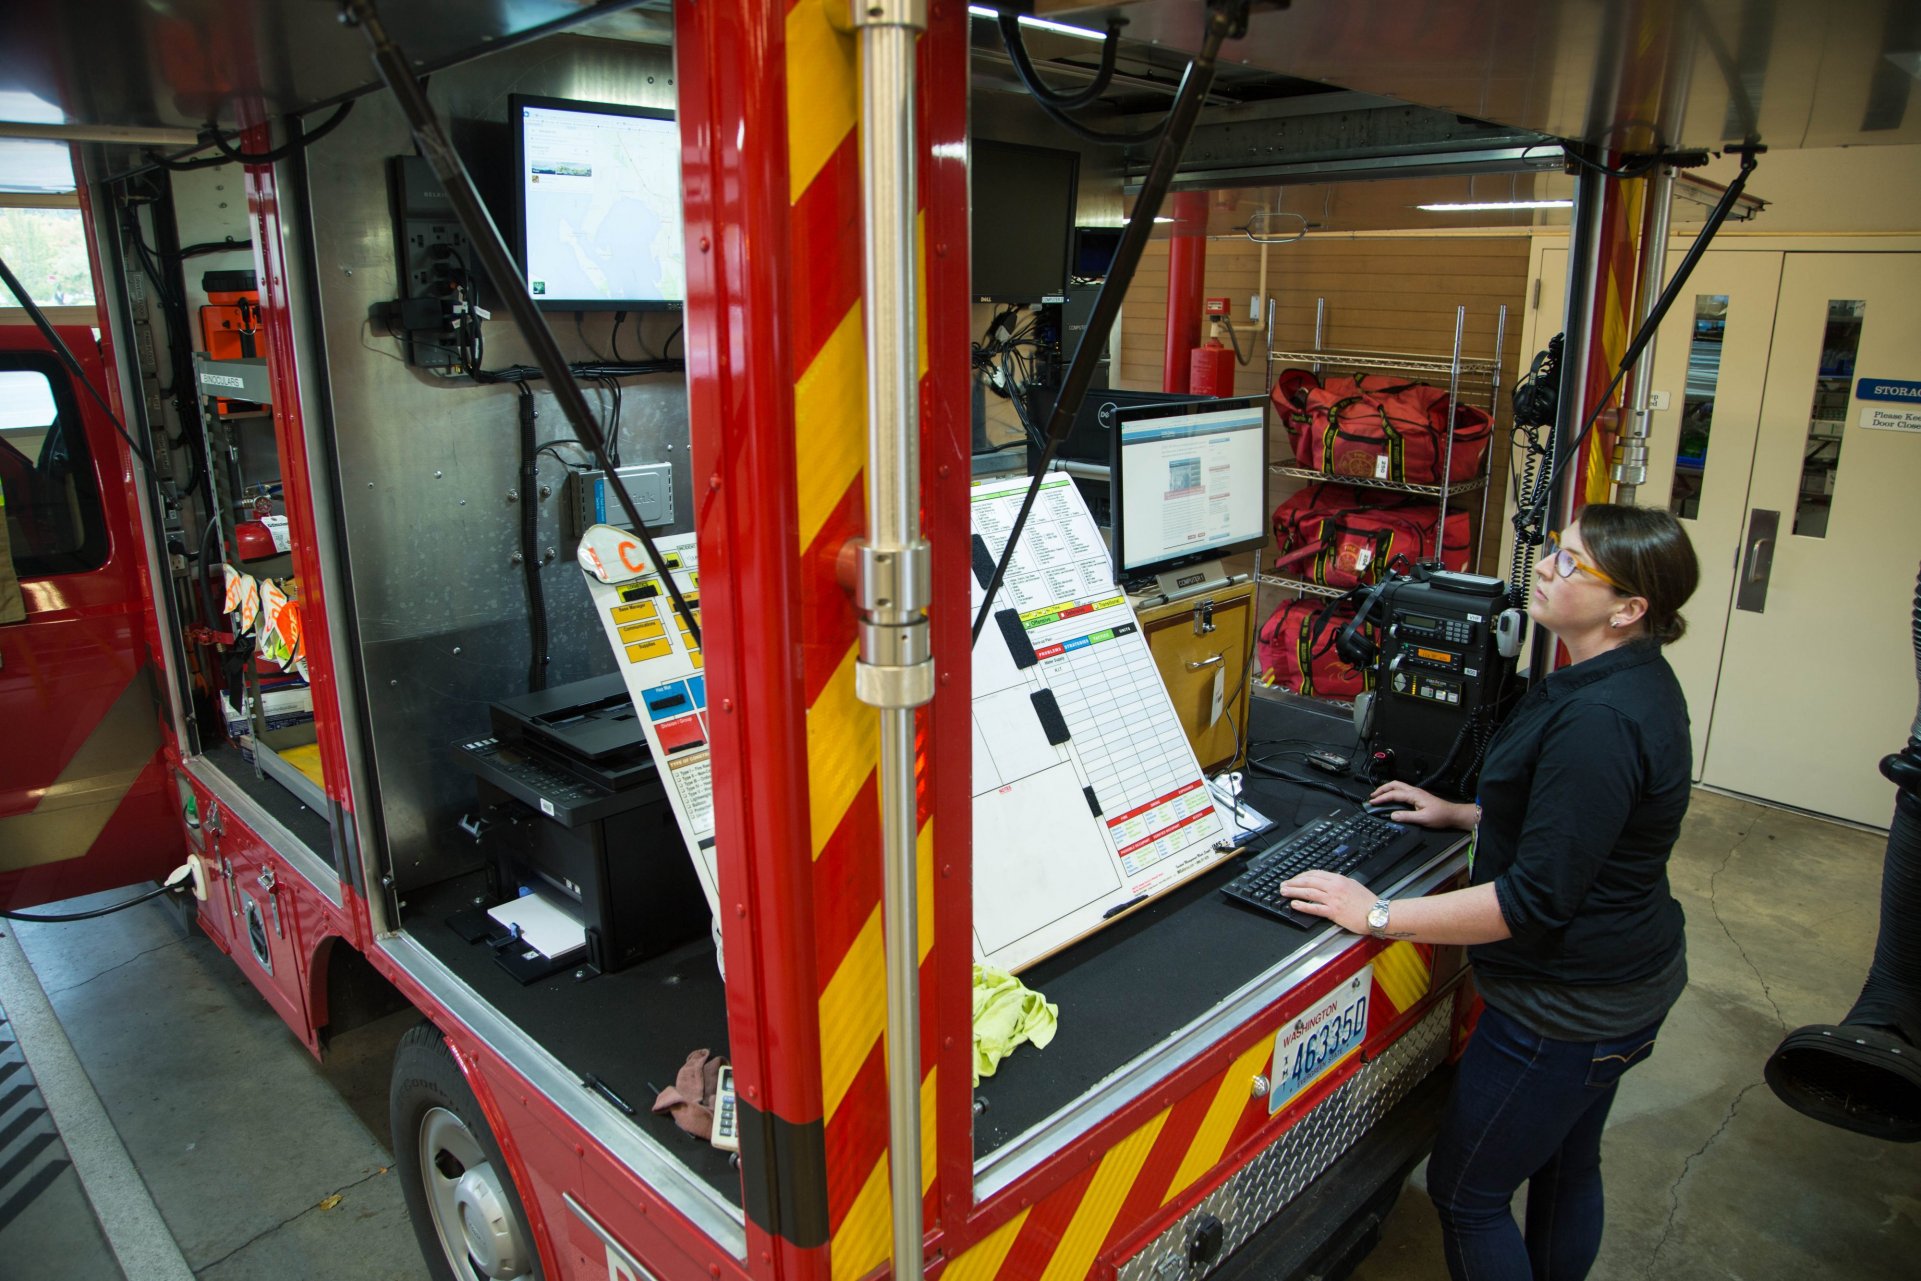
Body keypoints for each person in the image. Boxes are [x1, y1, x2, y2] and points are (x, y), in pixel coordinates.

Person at [1279, 503, 1701, 1281]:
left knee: (1468, 1191)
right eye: (1552, 550)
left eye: (1571, 564)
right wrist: (1469, 811)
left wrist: (1373, 913)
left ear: (1629, 607)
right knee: (1566, 1162)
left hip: (1565, 1005)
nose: (1543, 567)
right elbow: (1585, 823)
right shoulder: (1622, 678)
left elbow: (1528, 901)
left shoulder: (1600, 719)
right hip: (1627, 979)